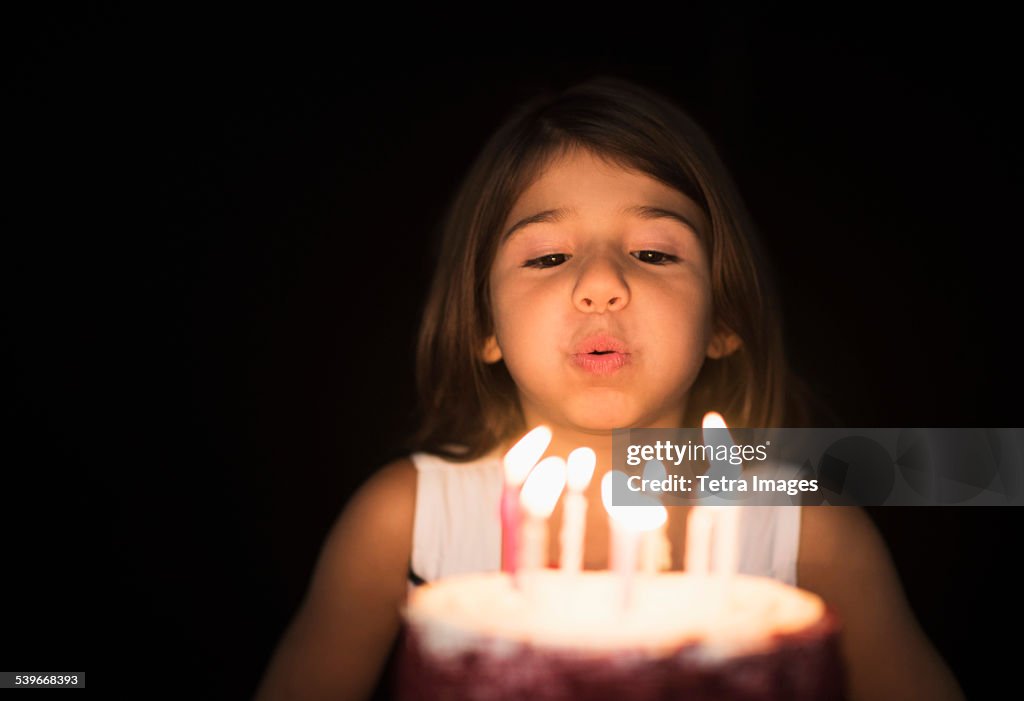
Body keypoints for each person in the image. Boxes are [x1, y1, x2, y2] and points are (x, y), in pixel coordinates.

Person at [252, 77, 964, 701]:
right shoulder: (403, 524)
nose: (600, 285)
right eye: (549, 256)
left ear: (725, 319)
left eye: (654, 252)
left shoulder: (812, 531)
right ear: (483, 325)